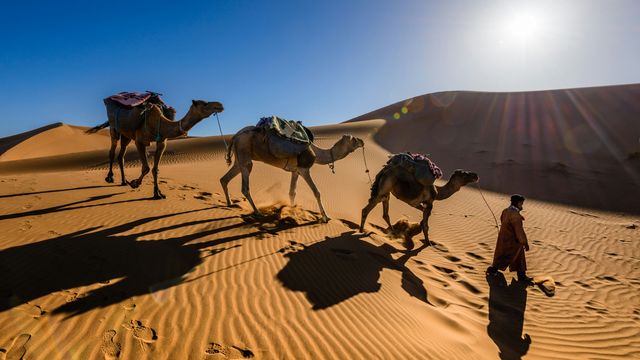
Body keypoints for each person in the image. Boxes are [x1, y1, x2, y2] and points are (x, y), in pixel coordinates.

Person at [486, 194, 532, 282]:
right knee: (518, 256)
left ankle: (494, 269)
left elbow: (502, 220)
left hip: (503, 238)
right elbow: (519, 231)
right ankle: (522, 277)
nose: (522, 206)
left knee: (501, 255)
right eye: (521, 204)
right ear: (518, 203)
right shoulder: (515, 215)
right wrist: (524, 242)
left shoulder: (505, 211)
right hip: (512, 241)